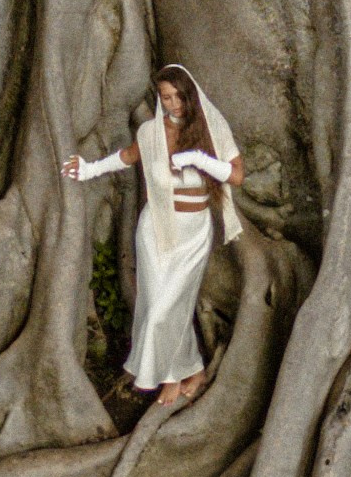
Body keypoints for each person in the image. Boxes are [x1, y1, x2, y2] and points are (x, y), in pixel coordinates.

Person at [64, 63, 245, 406]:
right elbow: (128, 157)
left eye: (178, 96)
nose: (173, 104)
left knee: (168, 307)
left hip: (193, 233)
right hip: (156, 229)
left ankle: (171, 377)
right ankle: (189, 371)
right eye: (166, 97)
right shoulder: (150, 132)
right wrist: (88, 169)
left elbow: (236, 176)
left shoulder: (210, 127)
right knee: (158, 306)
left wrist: (200, 159)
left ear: (189, 95)